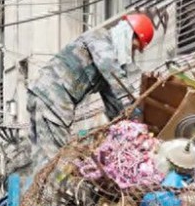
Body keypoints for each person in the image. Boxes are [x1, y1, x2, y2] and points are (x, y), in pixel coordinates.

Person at [26, 13, 155, 168]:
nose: (132, 54)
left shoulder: (106, 61)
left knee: (44, 160)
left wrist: (129, 129)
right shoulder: (101, 40)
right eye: (133, 48)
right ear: (128, 35)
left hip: (47, 98)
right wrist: (138, 118)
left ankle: (38, 190)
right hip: (52, 98)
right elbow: (116, 78)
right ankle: (48, 191)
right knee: (56, 163)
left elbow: (115, 102)